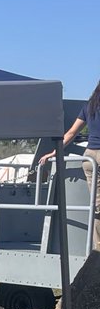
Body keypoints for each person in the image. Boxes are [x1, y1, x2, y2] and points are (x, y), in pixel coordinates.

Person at [41, 79, 100, 248]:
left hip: (89, 157)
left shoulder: (90, 106)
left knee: (97, 205)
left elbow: (71, 133)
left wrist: (55, 152)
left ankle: (98, 247)